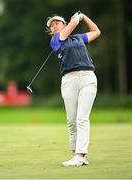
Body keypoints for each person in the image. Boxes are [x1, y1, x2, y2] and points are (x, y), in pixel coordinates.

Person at [46, 11, 101, 166]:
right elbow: (73, 25)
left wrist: (84, 17)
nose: (54, 25)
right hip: (69, 80)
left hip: (88, 77)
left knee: (82, 118)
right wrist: (76, 20)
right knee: (71, 120)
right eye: (52, 25)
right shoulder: (55, 40)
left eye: (57, 22)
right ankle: (76, 155)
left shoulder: (79, 38)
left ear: (63, 24)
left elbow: (96, 32)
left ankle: (80, 154)